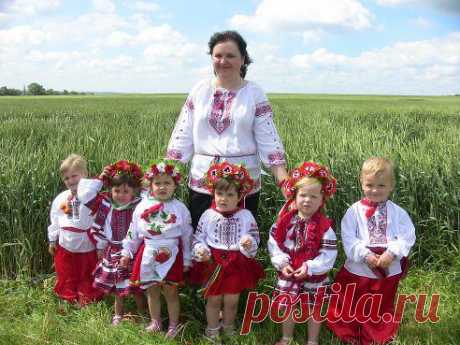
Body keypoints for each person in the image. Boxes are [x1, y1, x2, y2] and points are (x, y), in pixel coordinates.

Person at [166, 30, 288, 228]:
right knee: (201, 243)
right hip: (203, 183)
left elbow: (269, 140)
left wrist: (285, 183)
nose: (223, 61)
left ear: (243, 59)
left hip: (243, 185)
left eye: (230, 55)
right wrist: (165, 174)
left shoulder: (254, 93)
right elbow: (183, 135)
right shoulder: (200, 90)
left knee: (241, 243)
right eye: (218, 56)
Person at [327, 157, 416, 345]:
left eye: (381, 185)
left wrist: (391, 253)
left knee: (379, 303)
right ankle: (350, 330)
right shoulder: (353, 211)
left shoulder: (398, 213)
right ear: (361, 183)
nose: (375, 190)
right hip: (359, 267)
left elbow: (407, 235)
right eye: (370, 185)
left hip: (387, 266)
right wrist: (365, 254)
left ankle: (376, 332)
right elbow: (349, 238)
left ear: (391, 186)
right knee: (353, 299)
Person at [190, 162, 265, 341]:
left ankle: (229, 327)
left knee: (232, 300)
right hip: (213, 262)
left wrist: (249, 243)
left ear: (239, 196)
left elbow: (254, 236)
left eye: (230, 194)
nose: (223, 199)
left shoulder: (245, 216)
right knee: (213, 299)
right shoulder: (208, 215)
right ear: (214, 194)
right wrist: (201, 250)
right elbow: (198, 237)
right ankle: (212, 329)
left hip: (236, 263)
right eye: (219, 194)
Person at [119, 160, 192, 338]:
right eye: (157, 183)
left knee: (171, 291)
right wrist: (127, 252)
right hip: (149, 251)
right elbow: (133, 232)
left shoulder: (180, 208)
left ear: (175, 185)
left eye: (167, 183)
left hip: (171, 253)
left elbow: (187, 235)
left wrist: (188, 259)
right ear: (150, 185)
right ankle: (155, 321)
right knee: (151, 290)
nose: (162, 187)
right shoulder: (142, 207)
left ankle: (174, 325)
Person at [268, 162, 338, 345]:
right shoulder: (284, 222)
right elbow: (274, 244)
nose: (307, 200)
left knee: (314, 309)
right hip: (289, 271)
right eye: (303, 195)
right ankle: (287, 337)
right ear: (294, 196)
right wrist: (282, 263)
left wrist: (310, 267)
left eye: (314, 197)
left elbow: (328, 255)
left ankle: (312, 340)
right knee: (288, 306)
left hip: (313, 275)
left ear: (322, 200)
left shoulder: (324, 227)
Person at [77, 160, 146, 325]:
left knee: (135, 286)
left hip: (133, 250)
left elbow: (150, 195)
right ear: (110, 190)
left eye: (125, 191)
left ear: (133, 191)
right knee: (117, 287)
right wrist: (100, 179)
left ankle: (143, 314)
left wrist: (142, 182)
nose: (121, 195)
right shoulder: (105, 204)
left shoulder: (139, 205)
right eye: (116, 190)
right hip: (113, 249)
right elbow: (84, 195)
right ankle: (118, 314)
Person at [47, 153, 103, 305]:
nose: (70, 181)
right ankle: (68, 296)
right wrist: (52, 239)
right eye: (66, 178)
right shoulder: (62, 198)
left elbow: (100, 221)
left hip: (86, 243)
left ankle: (87, 297)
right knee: (67, 272)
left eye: (74, 176)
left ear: (84, 174)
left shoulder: (92, 197)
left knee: (86, 273)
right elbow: (56, 218)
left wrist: (100, 245)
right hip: (66, 242)